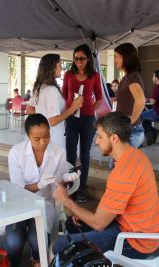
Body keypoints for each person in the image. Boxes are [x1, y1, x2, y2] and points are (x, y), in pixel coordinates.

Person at [53, 112, 159, 259]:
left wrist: (66, 200)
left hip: (136, 242)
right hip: (132, 228)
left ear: (114, 138)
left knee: (60, 245)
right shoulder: (135, 155)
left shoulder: (123, 172)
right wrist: (84, 213)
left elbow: (99, 224)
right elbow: (111, 205)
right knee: (73, 224)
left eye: (99, 136)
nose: (96, 141)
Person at [6, 114, 80, 267]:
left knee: (37, 240)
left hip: (45, 201)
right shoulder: (16, 152)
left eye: (46, 136)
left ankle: (37, 261)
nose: (43, 142)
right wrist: (38, 185)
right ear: (27, 136)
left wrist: (64, 180)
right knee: (13, 241)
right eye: (37, 139)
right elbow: (17, 187)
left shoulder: (58, 152)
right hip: (20, 202)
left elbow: (56, 188)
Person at [63, 44, 103, 203]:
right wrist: (70, 110)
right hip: (71, 118)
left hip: (87, 119)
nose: (79, 61)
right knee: (70, 153)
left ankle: (81, 189)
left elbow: (99, 98)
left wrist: (88, 109)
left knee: (84, 154)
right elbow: (65, 95)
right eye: (76, 58)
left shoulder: (94, 76)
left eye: (82, 58)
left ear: (88, 59)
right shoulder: (68, 74)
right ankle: (70, 185)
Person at [27, 54, 83, 148]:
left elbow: (29, 110)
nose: (61, 68)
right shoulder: (51, 90)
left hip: (45, 136)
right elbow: (53, 121)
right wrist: (73, 107)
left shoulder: (39, 87)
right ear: (52, 67)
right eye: (60, 65)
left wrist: (45, 113)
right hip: (53, 138)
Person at [114, 43, 146, 148]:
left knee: (121, 163)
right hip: (125, 129)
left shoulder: (132, 78)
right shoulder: (128, 77)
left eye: (116, 57)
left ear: (125, 57)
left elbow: (141, 100)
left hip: (131, 131)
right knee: (117, 164)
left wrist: (131, 120)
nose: (115, 60)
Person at [141, 70, 159, 146]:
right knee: (147, 117)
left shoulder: (158, 87)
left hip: (158, 113)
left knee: (140, 116)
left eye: (153, 76)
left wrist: (145, 100)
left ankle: (149, 133)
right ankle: (153, 134)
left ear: (156, 78)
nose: (152, 78)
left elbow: (152, 102)